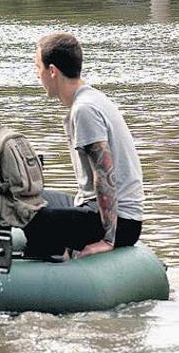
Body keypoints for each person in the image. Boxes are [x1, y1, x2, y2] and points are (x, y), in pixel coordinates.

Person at [22, 32, 144, 258]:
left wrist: (109, 239)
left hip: (121, 223)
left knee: (35, 220)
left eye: (37, 67)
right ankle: (62, 252)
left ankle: (49, 271)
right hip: (99, 211)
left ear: (52, 71)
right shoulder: (91, 98)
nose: (36, 75)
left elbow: (104, 173)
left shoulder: (84, 109)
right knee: (25, 200)